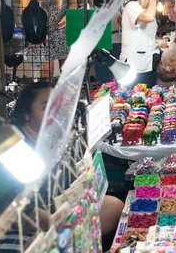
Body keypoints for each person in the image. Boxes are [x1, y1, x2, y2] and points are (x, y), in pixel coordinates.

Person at [11, 82, 124, 250]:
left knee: (114, 207)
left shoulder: (59, 138)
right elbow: (18, 209)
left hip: (63, 208)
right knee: (47, 243)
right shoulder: (16, 148)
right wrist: (58, 221)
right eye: (46, 107)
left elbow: (76, 182)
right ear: (26, 114)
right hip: (30, 219)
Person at [21, 0, 78, 78]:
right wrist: (36, 31)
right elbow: (25, 13)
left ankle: (67, 96)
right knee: (47, 72)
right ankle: (47, 95)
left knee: (67, 70)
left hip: (62, 27)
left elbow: (73, 2)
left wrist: (69, 15)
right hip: (40, 31)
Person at [120, 0, 161, 87]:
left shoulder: (148, 9)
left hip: (148, 62)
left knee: (149, 97)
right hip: (134, 63)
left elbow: (148, 35)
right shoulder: (132, 6)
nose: (158, 1)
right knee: (135, 97)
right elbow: (149, 17)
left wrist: (159, 42)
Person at [92, 0, 123, 82]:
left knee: (101, 70)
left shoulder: (91, 13)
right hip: (115, 43)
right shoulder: (115, 13)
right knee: (117, 70)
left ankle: (104, 88)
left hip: (99, 44)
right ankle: (117, 92)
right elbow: (124, 27)